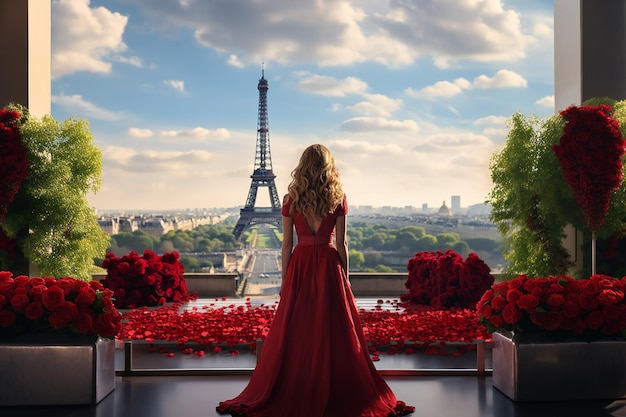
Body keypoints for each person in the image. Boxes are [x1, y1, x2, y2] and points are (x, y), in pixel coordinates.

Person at [217, 144, 414, 417]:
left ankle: (298, 381)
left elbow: (286, 245)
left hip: (300, 264)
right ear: (329, 167)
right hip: (329, 264)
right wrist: (345, 276)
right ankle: (331, 382)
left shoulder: (290, 199)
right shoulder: (338, 198)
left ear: (302, 166)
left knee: (297, 327)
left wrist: (286, 280)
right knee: (334, 327)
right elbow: (342, 244)